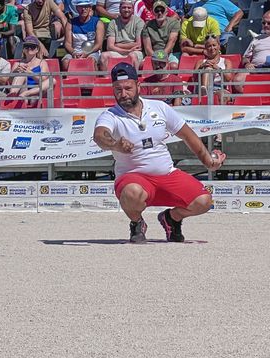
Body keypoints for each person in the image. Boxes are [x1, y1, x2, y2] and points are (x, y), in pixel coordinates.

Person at [93, 62, 226, 243]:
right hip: (133, 177)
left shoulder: (159, 108)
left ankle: (171, 218)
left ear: (138, 86)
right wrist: (115, 145)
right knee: (132, 192)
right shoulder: (110, 115)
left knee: (204, 201)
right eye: (118, 89)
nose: (123, 94)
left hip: (166, 174)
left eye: (128, 88)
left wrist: (208, 161)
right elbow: (99, 136)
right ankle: (137, 223)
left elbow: (187, 135)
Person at [61, 0, 105, 71]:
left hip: (92, 52)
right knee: (65, 63)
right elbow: (67, 43)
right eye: (81, 7)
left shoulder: (98, 22)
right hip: (75, 52)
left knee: (91, 62)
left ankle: (94, 81)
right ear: (76, 8)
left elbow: (98, 45)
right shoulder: (70, 23)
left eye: (86, 7)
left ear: (90, 8)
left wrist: (86, 53)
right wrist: (73, 52)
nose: (83, 9)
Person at [101, 0, 145, 70]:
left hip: (135, 52)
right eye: (124, 7)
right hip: (118, 52)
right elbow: (109, 46)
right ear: (119, 9)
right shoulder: (113, 23)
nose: (126, 10)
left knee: (132, 55)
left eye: (129, 8)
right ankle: (106, 79)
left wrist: (117, 45)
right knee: (104, 56)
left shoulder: (139, 22)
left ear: (133, 9)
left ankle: (134, 79)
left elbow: (138, 45)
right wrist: (127, 50)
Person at [7, 35, 50, 107]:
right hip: (22, 92)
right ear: (23, 49)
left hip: (37, 91)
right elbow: (10, 81)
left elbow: (44, 81)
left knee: (52, 81)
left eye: (32, 47)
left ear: (37, 49)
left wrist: (30, 73)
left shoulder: (42, 62)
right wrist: (15, 72)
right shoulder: (18, 64)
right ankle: (12, 94)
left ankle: (27, 93)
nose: (29, 48)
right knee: (21, 75)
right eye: (27, 46)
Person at [233, 11, 270, 93]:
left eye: (269, 23)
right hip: (256, 69)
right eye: (264, 23)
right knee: (238, 80)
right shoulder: (256, 39)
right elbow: (245, 57)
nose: (266, 25)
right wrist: (247, 64)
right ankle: (252, 100)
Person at [193, 34, 232, 103]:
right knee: (208, 69)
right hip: (202, 89)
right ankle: (204, 90)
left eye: (214, 45)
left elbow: (228, 78)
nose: (212, 48)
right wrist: (202, 67)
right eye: (209, 46)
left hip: (220, 88)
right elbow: (194, 78)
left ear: (219, 46)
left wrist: (218, 69)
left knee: (223, 95)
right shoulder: (200, 62)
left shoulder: (226, 61)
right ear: (205, 48)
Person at [141, 0, 180, 70]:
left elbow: (172, 41)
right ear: (153, 13)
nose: (159, 13)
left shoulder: (174, 23)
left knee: (173, 66)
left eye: (162, 10)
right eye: (157, 10)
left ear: (166, 12)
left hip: (170, 53)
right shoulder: (147, 26)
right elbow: (147, 48)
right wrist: (156, 58)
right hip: (153, 54)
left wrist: (162, 58)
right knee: (142, 65)